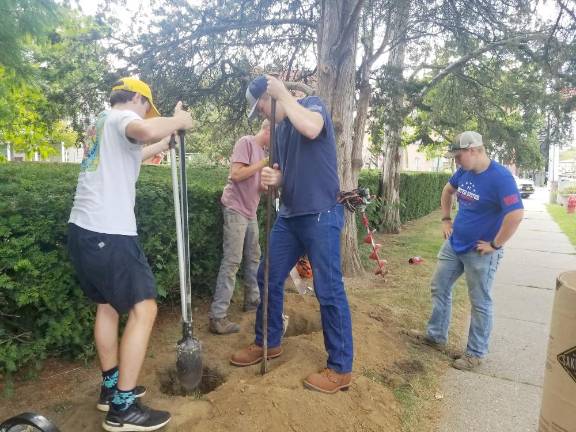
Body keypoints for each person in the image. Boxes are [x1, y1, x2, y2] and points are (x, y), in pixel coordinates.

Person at [67, 77, 193, 431]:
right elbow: (140, 130)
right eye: (146, 106)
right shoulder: (122, 118)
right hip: (110, 232)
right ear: (136, 98)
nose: (145, 112)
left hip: (83, 231)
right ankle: (123, 410)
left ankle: (110, 388)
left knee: (106, 306)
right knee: (145, 308)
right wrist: (177, 121)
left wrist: (168, 138)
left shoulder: (100, 124)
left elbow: (137, 150)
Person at [230, 75, 354, 394]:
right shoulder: (281, 131)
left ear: (268, 97)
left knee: (328, 289)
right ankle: (268, 342)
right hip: (290, 216)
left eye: (259, 105)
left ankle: (340, 368)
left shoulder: (312, 107)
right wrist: (275, 177)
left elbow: (312, 128)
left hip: (322, 214)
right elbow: (286, 173)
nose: (260, 113)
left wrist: (283, 94)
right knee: (267, 275)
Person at [410, 131, 524, 371]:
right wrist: (445, 219)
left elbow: (516, 214)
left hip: (481, 252)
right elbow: (447, 191)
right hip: (455, 243)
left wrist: (495, 244)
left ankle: (475, 354)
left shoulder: (500, 177)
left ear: (474, 150)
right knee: (439, 287)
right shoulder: (464, 171)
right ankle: (435, 336)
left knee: (480, 301)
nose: (456, 161)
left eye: (459, 156)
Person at [208, 119, 270, 334]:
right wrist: (263, 165)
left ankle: (252, 302)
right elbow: (236, 175)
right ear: (267, 129)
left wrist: (271, 185)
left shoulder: (262, 153)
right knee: (232, 260)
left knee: (254, 257)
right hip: (235, 209)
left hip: (250, 211)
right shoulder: (246, 143)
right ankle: (218, 317)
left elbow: (258, 185)